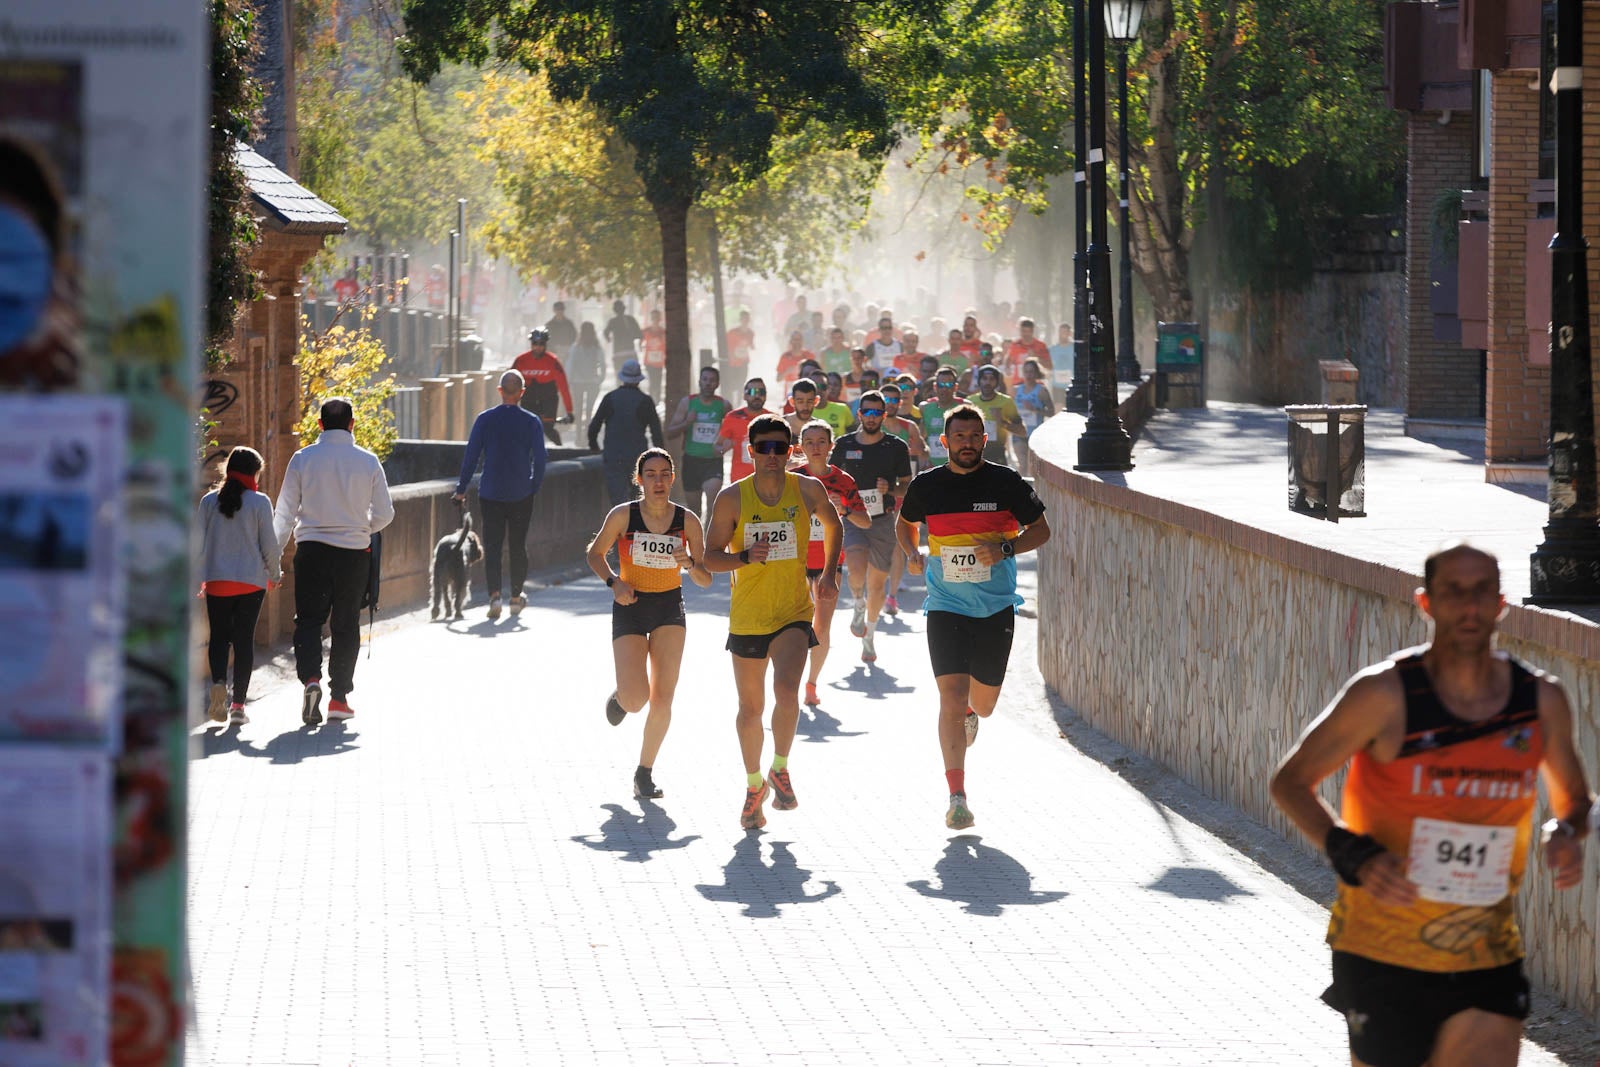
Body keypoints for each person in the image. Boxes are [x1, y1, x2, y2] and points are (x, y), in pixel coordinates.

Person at [1268, 543, 1592, 1067]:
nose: (1469, 606)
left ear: (1501, 604)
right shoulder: (1384, 695)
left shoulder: (1539, 702)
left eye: (1482, 591)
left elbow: (1576, 798)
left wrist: (1568, 831)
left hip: (1486, 951)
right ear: (1427, 604)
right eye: (1453, 592)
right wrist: (1355, 855)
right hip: (1381, 951)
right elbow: (1290, 781)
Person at [896, 404, 1050, 829]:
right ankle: (957, 795)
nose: (966, 443)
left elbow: (1041, 530)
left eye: (974, 436)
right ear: (943, 442)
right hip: (945, 605)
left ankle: (970, 716)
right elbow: (905, 523)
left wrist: (1004, 548)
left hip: (996, 607)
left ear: (985, 440)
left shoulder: (1006, 482)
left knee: (981, 705)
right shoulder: (927, 485)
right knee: (950, 697)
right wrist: (912, 552)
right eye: (958, 437)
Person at [704, 415, 843, 830]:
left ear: (790, 450)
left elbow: (833, 523)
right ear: (750, 451)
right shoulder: (732, 498)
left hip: (792, 611)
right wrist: (744, 557)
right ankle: (753, 786)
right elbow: (709, 557)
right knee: (750, 708)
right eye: (762, 447)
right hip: (747, 614)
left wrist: (830, 573)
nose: (771, 455)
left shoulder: (807, 488)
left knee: (786, 691)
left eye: (779, 448)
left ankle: (780, 767)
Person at [586, 448, 713, 800]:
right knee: (638, 697)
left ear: (673, 478)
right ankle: (622, 698)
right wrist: (614, 583)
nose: (658, 481)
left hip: (669, 608)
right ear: (639, 480)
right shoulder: (623, 516)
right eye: (651, 475)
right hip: (630, 604)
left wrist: (689, 563)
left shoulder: (687, 521)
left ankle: (644, 772)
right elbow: (594, 554)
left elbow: (705, 579)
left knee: (662, 699)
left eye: (664, 474)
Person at [273, 398, 395, 725]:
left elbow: (284, 514)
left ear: (319, 425)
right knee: (345, 625)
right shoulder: (368, 462)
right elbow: (385, 513)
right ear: (353, 424)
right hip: (353, 554)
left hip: (312, 549)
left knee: (309, 620)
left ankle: (311, 679)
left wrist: (270, 559)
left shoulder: (302, 459)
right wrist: (357, 528)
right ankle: (339, 698)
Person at [196, 446, 281, 725]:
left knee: (219, 638)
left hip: (217, 582)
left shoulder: (209, 502)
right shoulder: (260, 503)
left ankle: (218, 685)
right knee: (244, 641)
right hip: (250, 583)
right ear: (253, 472)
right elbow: (270, 545)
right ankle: (238, 706)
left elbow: (196, 545)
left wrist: (197, 578)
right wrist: (275, 574)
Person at [453, 370, 548, 620]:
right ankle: (516, 598)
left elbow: (471, 456)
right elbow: (540, 458)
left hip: (491, 492)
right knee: (518, 545)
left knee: (493, 546)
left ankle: (494, 596)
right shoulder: (531, 421)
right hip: (520, 493)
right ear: (522, 393)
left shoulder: (485, 419)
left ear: (499, 391)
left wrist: (462, 489)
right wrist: (533, 486)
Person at [792, 420, 872, 707]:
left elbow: (865, 521)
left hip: (828, 564)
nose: (815, 447)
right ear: (801, 446)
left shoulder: (843, 481)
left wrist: (845, 508)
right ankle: (790, 681)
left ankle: (811, 683)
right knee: (794, 628)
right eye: (809, 442)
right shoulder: (792, 478)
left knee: (821, 628)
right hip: (793, 563)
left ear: (831, 446)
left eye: (821, 442)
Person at [830, 390, 913, 664]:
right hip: (853, 517)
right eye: (868, 412)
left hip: (882, 520)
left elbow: (907, 486)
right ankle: (857, 602)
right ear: (859, 414)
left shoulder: (896, 447)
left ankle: (870, 635)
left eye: (878, 412)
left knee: (877, 586)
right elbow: (828, 478)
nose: (873, 417)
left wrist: (891, 489)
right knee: (855, 566)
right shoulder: (843, 445)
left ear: (884, 414)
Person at [589, 358, 665, 505]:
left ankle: (621, 525)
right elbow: (656, 432)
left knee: (618, 500)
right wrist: (659, 456)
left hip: (613, 455)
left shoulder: (610, 398)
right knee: (638, 498)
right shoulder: (646, 401)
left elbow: (594, 426)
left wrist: (594, 445)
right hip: (637, 455)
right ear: (639, 380)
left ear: (622, 378)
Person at [664, 365, 730, 522]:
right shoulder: (688, 403)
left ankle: (710, 538)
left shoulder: (724, 405)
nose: (708, 383)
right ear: (699, 381)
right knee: (694, 509)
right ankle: (697, 539)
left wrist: (724, 448)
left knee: (713, 497)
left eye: (712, 380)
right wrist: (687, 422)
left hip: (713, 461)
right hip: (691, 460)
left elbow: (732, 433)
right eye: (705, 379)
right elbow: (670, 432)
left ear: (717, 384)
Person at [511, 328, 575, 445]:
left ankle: (560, 451)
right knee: (526, 430)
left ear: (546, 344)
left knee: (548, 429)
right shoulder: (521, 360)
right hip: (528, 399)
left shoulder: (553, 361)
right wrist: (509, 405)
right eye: (535, 343)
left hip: (548, 400)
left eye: (541, 344)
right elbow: (510, 383)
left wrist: (569, 411)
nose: (538, 347)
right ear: (531, 344)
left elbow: (564, 387)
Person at [966, 365, 1027, 465]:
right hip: (973, 454)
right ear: (979, 381)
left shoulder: (1006, 402)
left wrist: (1001, 421)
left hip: (997, 453)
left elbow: (1022, 431)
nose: (987, 382)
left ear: (997, 382)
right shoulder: (970, 401)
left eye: (992, 379)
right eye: (984, 379)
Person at [715, 377, 771, 484]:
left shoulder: (773, 419)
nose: (757, 396)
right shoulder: (733, 417)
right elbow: (716, 447)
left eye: (762, 392)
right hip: (740, 479)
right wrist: (724, 449)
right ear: (745, 395)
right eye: (753, 392)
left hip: (766, 479)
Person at [1011, 357, 1055, 475]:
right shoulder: (1015, 390)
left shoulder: (1041, 391)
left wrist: (1035, 409)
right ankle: (1020, 490)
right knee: (1022, 464)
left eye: (1031, 372)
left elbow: (1051, 412)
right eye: (1026, 371)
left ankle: (1033, 491)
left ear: (1036, 373)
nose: (1028, 375)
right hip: (1019, 432)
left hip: (1035, 434)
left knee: (1033, 467)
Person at [919, 367, 963, 466]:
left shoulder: (964, 407)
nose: (944, 389)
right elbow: (921, 438)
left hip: (958, 465)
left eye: (948, 385)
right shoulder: (925, 408)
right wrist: (923, 462)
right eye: (940, 385)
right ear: (935, 387)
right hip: (933, 466)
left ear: (955, 387)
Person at [567, 320, 607, 421]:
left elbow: (570, 365)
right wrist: (600, 379)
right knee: (589, 410)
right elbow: (603, 365)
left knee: (578, 409)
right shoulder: (597, 348)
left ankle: (579, 434)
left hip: (577, 382)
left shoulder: (575, 347)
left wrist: (569, 381)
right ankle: (586, 433)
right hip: (593, 381)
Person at [1003, 318, 1053, 386]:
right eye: (1023, 331)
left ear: (1032, 331)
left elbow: (1050, 366)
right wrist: (1007, 367)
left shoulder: (1040, 346)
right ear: (1020, 331)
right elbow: (1008, 360)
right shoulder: (1015, 345)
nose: (1026, 334)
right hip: (1018, 384)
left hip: (1035, 384)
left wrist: (1036, 357)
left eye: (1028, 331)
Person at [603, 299, 643, 378]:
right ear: (624, 309)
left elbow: (605, 333)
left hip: (618, 353)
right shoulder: (630, 319)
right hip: (630, 353)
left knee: (620, 378)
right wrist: (632, 337)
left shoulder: (612, 321)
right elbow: (639, 334)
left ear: (614, 310)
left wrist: (609, 340)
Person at [639, 308, 667, 399]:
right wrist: (641, 347)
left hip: (659, 362)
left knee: (658, 382)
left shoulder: (663, 332)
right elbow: (640, 341)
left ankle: (657, 400)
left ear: (659, 319)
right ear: (651, 319)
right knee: (652, 381)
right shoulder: (646, 331)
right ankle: (652, 400)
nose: (655, 320)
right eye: (653, 317)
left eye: (656, 318)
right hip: (649, 362)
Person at [725, 309, 755, 381]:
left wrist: (752, 347)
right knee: (734, 382)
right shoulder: (732, 332)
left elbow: (751, 345)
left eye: (747, 319)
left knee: (742, 381)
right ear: (740, 320)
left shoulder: (750, 333)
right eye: (744, 319)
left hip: (744, 360)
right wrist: (731, 356)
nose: (745, 321)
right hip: (733, 362)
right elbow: (727, 346)